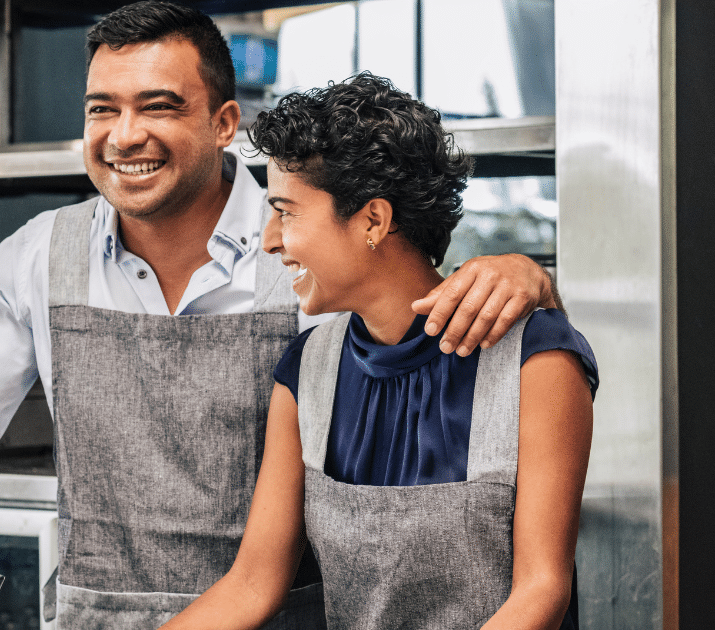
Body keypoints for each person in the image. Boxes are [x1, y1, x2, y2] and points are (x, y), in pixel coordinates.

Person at [0, 3, 563, 628]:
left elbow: (412, 305)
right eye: (101, 109)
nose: (125, 135)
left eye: (157, 106)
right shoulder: (41, 256)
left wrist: (532, 277)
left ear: (224, 125)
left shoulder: (305, 254)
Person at [159, 74, 597, 630]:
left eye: (286, 212)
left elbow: (541, 590)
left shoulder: (536, 359)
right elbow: (251, 585)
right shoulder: (306, 370)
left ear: (372, 220)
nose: (269, 239)